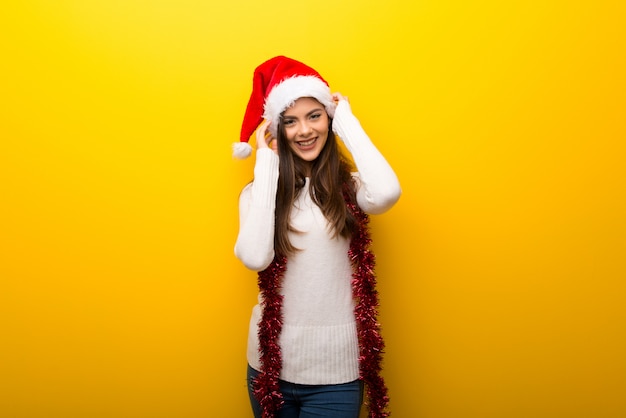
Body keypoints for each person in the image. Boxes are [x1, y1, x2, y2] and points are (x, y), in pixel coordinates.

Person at [233, 56, 401, 418]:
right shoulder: (256, 194)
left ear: (329, 118)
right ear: (276, 131)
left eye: (314, 115)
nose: (304, 130)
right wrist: (266, 163)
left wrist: (348, 123)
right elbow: (254, 257)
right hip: (268, 369)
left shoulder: (353, 189)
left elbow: (386, 193)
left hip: (336, 374)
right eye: (289, 121)